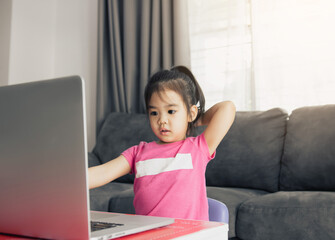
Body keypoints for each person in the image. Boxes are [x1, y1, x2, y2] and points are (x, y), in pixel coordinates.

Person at [88, 66, 236, 221]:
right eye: (154, 113)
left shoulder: (197, 148)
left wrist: (193, 120)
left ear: (191, 113)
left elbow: (227, 108)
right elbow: (102, 173)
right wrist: (67, 182)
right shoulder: (138, 153)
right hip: (149, 235)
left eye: (171, 111)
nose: (162, 120)